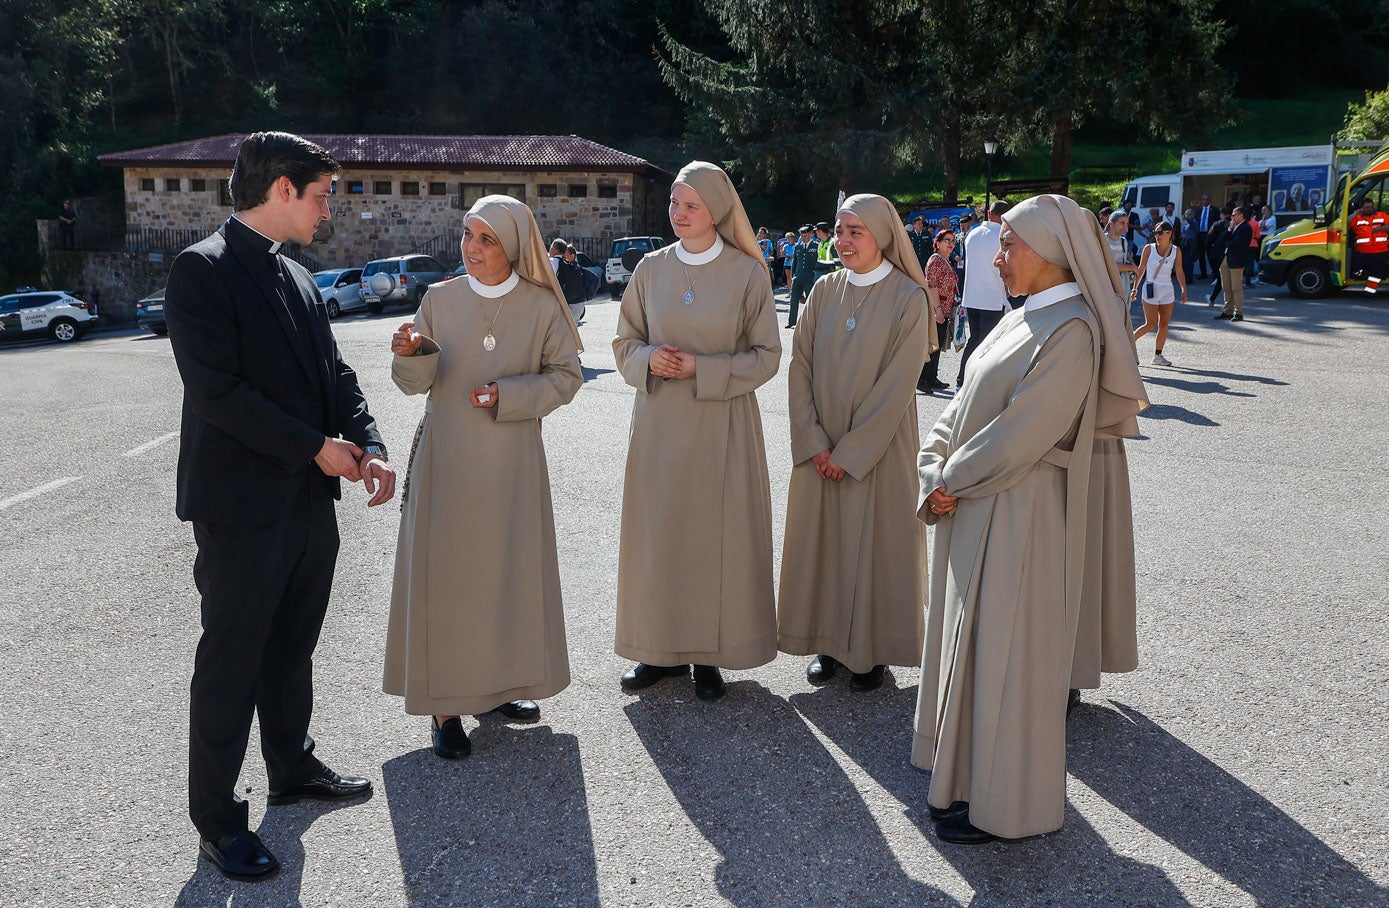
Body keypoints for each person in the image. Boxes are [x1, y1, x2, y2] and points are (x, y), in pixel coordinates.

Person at [164, 132, 396, 881]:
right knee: (232, 660)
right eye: (322, 194)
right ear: (283, 190)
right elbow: (218, 393)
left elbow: (336, 372)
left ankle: (291, 768)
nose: (329, 209)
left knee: (290, 647)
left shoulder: (295, 274)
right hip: (238, 507)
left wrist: (368, 440)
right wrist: (313, 447)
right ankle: (217, 820)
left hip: (306, 500)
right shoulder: (200, 270)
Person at [912, 193, 1147, 845]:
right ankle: (963, 783)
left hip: (1023, 514)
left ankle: (1008, 807)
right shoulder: (1024, 316)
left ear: (1051, 252)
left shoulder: (1071, 329)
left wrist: (945, 481)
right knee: (978, 650)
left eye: (1010, 244)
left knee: (1011, 660)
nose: (996, 256)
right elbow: (959, 405)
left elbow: (1021, 434)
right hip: (979, 502)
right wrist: (932, 467)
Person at [385, 195, 583, 760]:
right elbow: (411, 383)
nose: (472, 247)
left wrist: (511, 395)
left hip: (514, 462)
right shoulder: (439, 298)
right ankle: (445, 709)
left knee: (505, 575)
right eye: (468, 235)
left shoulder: (543, 305)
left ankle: (496, 688)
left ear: (514, 246)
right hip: (448, 459)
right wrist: (408, 353)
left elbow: (566, 377)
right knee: (448, 582)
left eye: (486, 239)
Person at [612, 161, 782, 701]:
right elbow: (622, 343)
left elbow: (767, 357)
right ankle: (660, 651)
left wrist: (701, 370)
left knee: (714, 536)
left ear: (717, 212)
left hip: (722, 423)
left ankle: (710, 651)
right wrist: (647, 358)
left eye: (691, 205)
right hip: (660, 424)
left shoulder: (748, 274)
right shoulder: (649, 269)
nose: (678, 214)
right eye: (674, 203)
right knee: (660, 534)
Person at [776, 193, 931, 691]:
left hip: (879, 446)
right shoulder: (823, 291)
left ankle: (870, 651)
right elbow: (799, 367)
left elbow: (897, 385)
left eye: (854, 232)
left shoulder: (910, 297)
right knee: (824, 542)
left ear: (882, 235)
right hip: (820, 441)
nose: (842, 241)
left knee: (873, 546)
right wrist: (814, 440)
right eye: (839, 231)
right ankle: (827, 642)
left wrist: (851, 452)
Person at [954, 200, 1010, 391]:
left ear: (988, 214)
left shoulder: (972, 233)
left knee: (975, 339)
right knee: (988, 344)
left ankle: (962, 380)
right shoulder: (1000, 236)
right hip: (992, 297)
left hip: (972, 295)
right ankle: (976, 383)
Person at [1132, 221, 1187, 366]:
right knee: (1150, 324)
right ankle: (1128, 345)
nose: (1157, 235)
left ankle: (1158, 355)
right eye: (1155, 232)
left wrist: (1184, 289)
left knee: (1164, 324)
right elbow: (1141, 269)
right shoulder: (1149, 249)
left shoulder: (1176, 250)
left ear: (1169, 233)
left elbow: (1179, 271)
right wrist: (1135, 288)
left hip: (1167, 289)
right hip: (1151, 286)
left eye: (1160, 232)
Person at [918, 229, 957, 394]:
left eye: (953, 241)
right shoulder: (936, 260)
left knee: (938, 344)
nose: (950, 244)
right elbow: (931, 285)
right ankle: (922, 379)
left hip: (945, 310)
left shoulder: (946, 260)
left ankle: (932, 377)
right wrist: (938, 310)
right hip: (936, 310)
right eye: (946, 240)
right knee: (931, 345)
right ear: (938, 243)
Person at [1216, 205, 1252, 322]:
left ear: (1241, 215)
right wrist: (1229, 230)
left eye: (1233, 215)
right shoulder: (1233, 227)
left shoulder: (1246, 227)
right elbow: (1221, 240)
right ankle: (1228, 310)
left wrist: (1227, 242)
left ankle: (1239, 312)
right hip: (1227, 258)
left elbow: (1236, 244)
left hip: (1237, 260)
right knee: (1226, 286)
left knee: (1236, 287)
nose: (1231, 218)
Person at [1349, 197, 1388, 287]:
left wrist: (1380, 229)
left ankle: (1369, 294)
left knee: (1376, 274)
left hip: (1380, 251)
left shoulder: (1381, 215)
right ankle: (1368, 290)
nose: (1369, 209)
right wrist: (1355, 214)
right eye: (1366, 207)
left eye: (1370, 207)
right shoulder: (1357, 218)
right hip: (1362, 252)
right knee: (1358, 272)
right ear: (1362, 208)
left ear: (1373, 207)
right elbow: (1344, 223)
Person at [1103, 210, 1140, 301]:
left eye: (1127, 223)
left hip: (1124, 288)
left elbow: (1125, 260)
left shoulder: (1124, 241)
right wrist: (1132, 267)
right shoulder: (1103, 240)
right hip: (1108, 289)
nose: (1125, 227)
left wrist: (1131, 263)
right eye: (1122, 223)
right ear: (1111, 224)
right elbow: (1109, 265)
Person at [787, 225, 818, 328]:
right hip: (798, 277)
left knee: (811, 301)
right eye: (802, 235)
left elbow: (817, 262)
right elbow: (794, 262)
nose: (803, 237)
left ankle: (811, 323)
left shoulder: (816, 246)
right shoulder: (798, 246)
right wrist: (793, 276)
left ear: (810, 234)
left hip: (810, 277)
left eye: (805, 235)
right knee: (794, 300)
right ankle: (791, 322)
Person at [1194, 194, 1218, 279]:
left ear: (1209, 200)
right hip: (1200, 234)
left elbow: (1217, 223)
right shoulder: (1198, 211)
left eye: (1207, 199)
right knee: (1201, 254)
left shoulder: (1215, 210)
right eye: (1203, 199)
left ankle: (1215, 273)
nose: (1205, 201)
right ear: (1201, 200)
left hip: (1210, 234)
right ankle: (1203, 273)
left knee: (1210, 254)